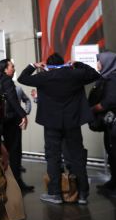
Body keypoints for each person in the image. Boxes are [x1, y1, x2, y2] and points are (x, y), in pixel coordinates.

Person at [18, 53, 100, 205]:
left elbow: (22, 78)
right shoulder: (74, 74)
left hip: (51, 124)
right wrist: (78, 64)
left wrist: (34, 65)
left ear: (47, 65)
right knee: (77, 156)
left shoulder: (44, 77)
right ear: (63, 63)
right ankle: (82, 194)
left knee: (53, 157)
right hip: (73, 122)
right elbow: (95, 74)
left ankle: (55, 194)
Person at [0, 59, 32, 192]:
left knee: (1, 151)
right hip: (10, 120)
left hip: (0, 121)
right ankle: (17, 183)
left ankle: (3, 182)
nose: (14, 69)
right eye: (12, 67)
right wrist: (23, 114)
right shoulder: (7, 81)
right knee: (14, 152)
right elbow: (12, 99)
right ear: (5, 69)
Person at [91, 51, 116, 195]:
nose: (98, 65)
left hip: (113, 124)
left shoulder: (113, 79)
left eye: (99, 61)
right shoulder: (106, 78)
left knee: (114, 152)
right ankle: (113, 182)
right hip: (110, 124)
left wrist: (92, 109)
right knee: (111, 153)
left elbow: (109, 102)